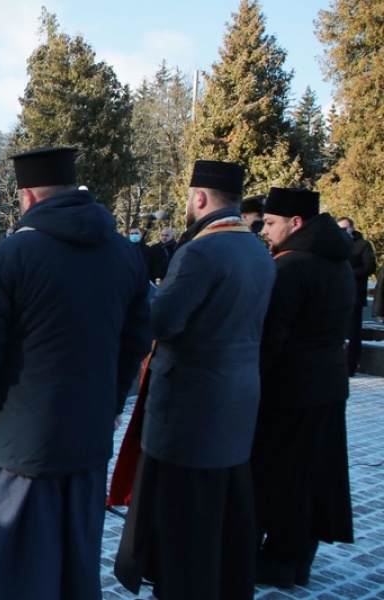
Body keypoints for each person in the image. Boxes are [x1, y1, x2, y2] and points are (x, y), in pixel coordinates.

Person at [0, 147, 152, 599]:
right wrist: (111, 403)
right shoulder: (124, 253)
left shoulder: (12, 254)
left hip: (26, 446)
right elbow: (137, 340)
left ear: (27, 196)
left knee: (13, 564)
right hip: (88, 438)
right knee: (74, 557)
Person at [114, 160, 276, 600]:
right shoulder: (257, 250)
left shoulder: (201, 251)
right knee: (218, 507)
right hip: (236, 397)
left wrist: (142, 294)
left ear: (200, 198)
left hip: (190, 406)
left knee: (182, 513)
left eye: (189, 198)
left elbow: (162, 321)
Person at [254, 189, 355, 588]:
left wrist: (252, 386)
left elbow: (270, 341)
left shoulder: (290, 267)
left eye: (271, 223)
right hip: (328, 387)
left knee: (279, 480)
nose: (265, 231)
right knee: (311, 478)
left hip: (289, 392)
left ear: (296, 222)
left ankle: (276, 563)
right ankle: (294, 561)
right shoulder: (337, 261)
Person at [336, 217, 375, 376]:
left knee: (353, 332)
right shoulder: (336, 244)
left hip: (354, 295)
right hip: (337, 295)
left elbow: (370, 266)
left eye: (345, 228)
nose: (342, 232)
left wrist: (348, 274)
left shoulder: (362, 245)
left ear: (352, 228)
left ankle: (351, 365)